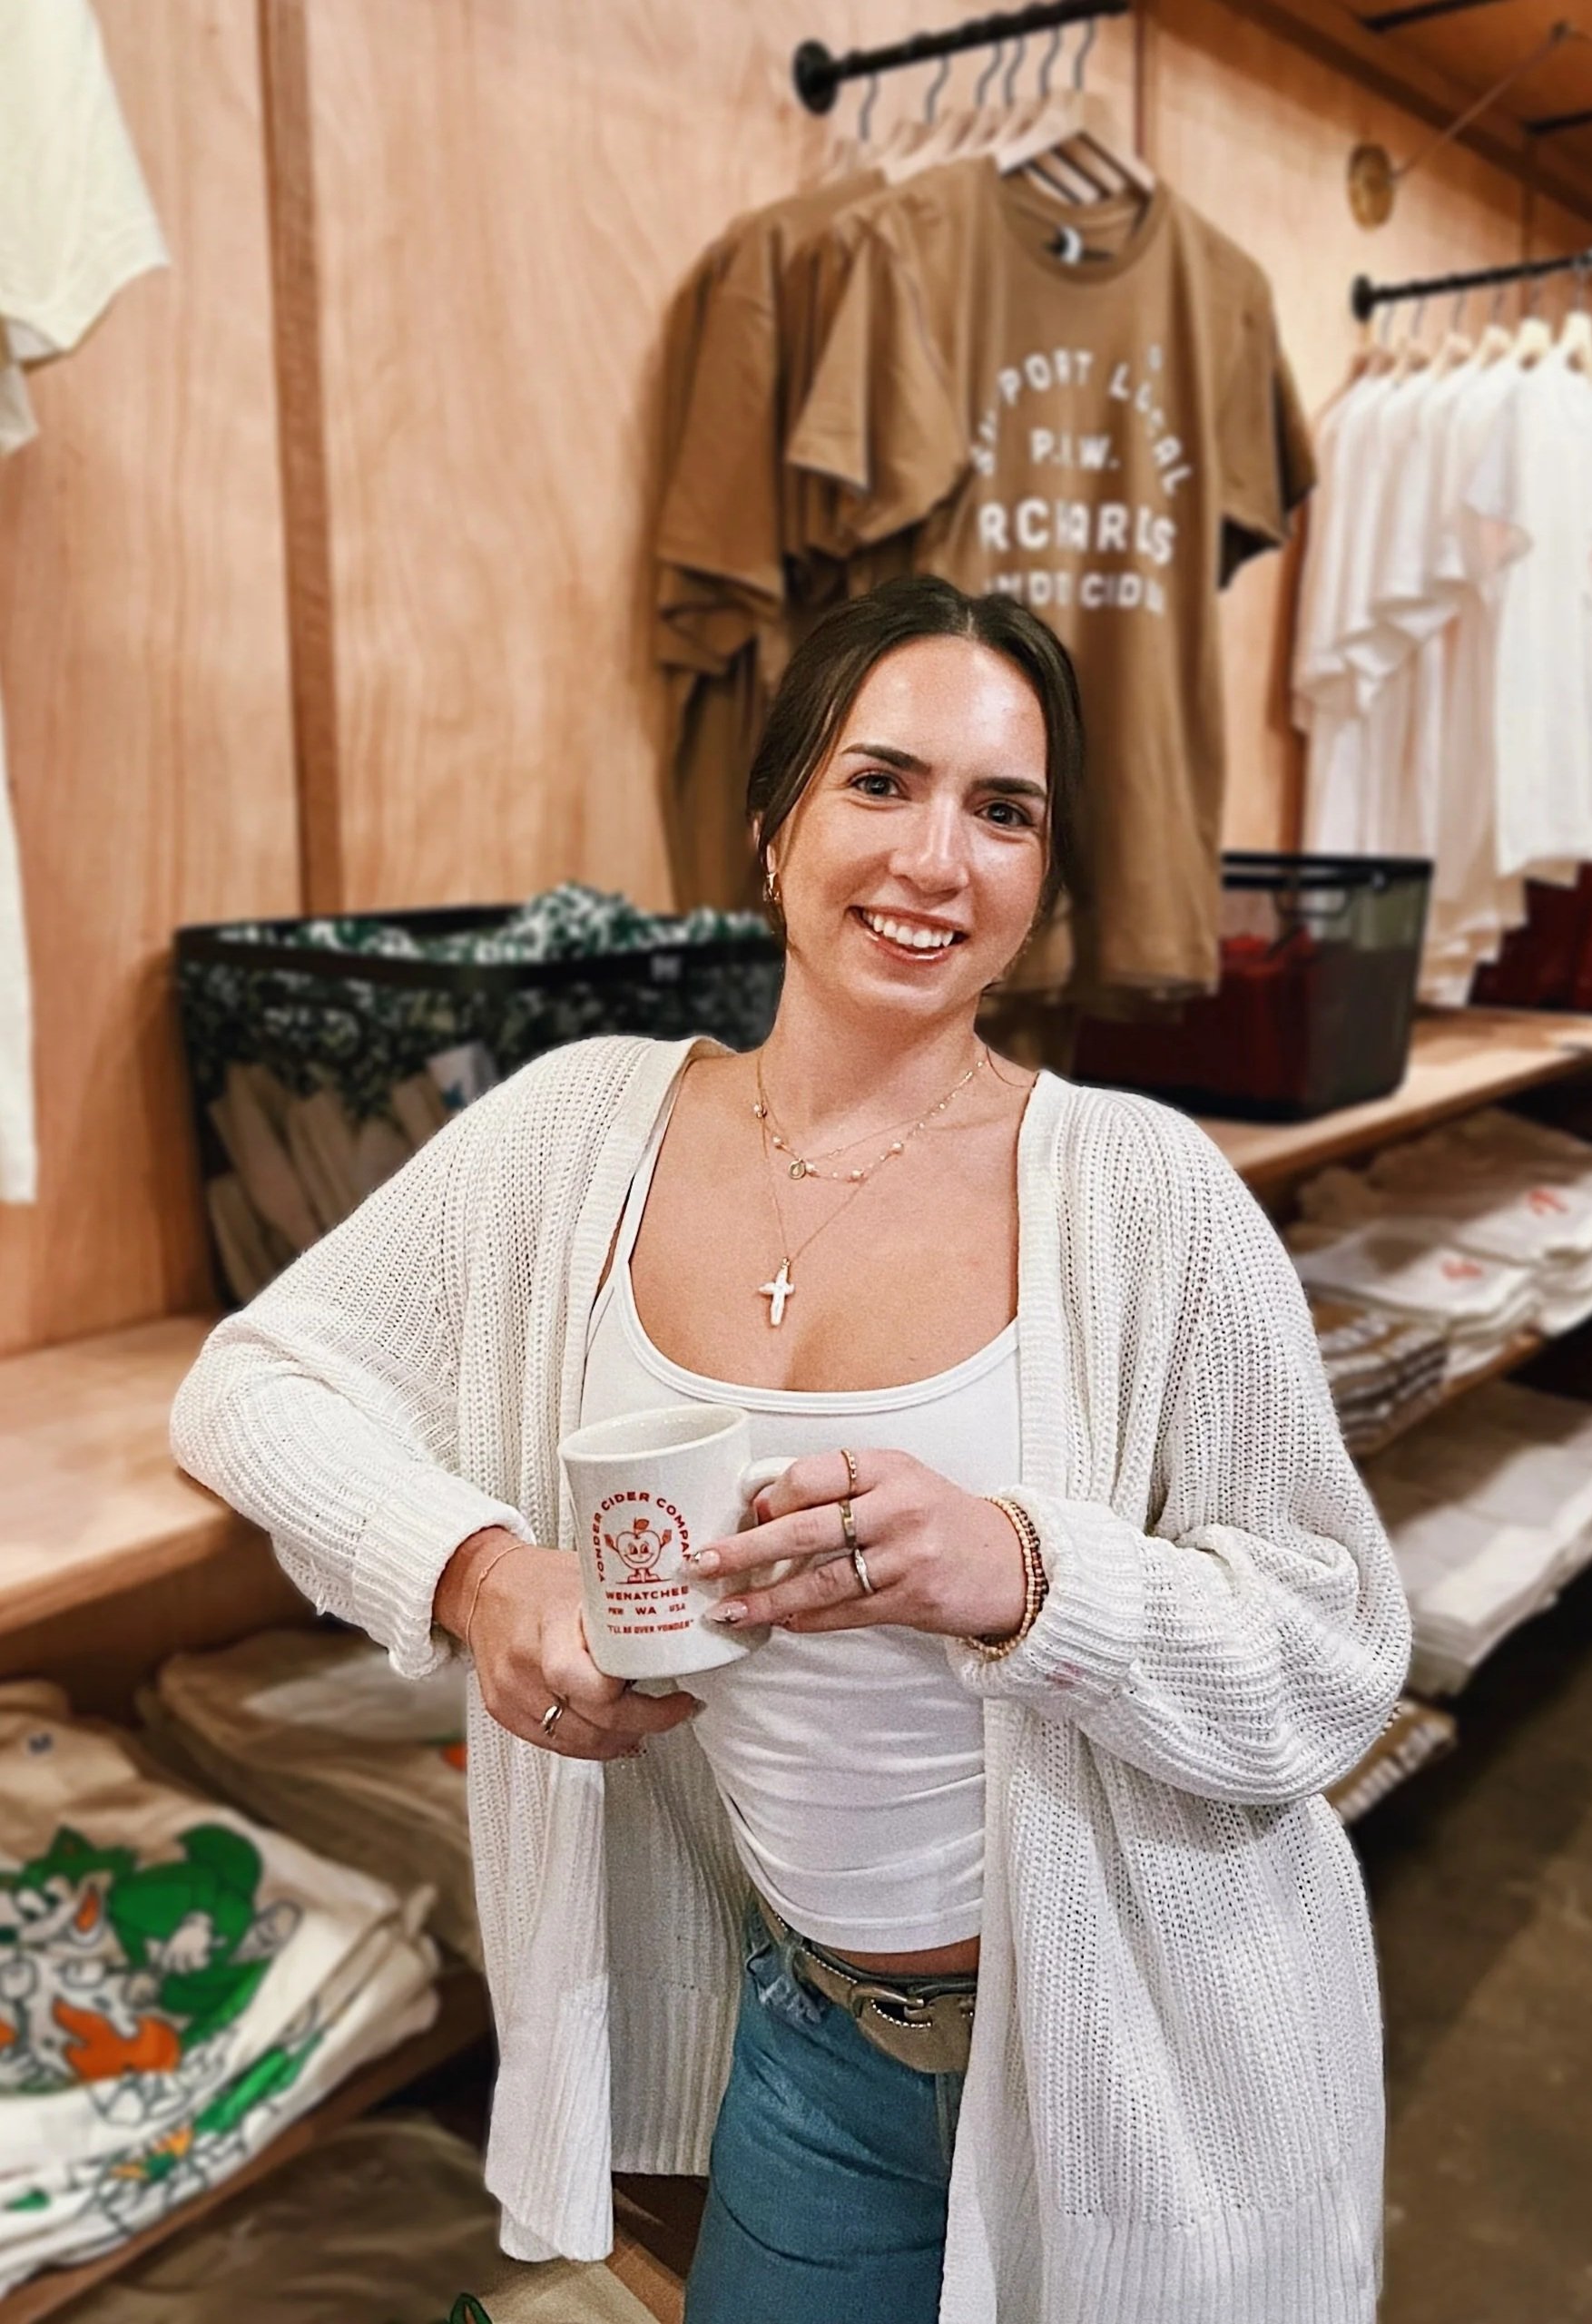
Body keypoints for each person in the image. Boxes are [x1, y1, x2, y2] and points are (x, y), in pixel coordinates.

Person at [172, 575, 1410, 2324]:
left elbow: (1338, 1642)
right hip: (818, 2051)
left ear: (1042, 880)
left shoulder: (1142, 1193)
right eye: (880, 781)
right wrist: (478, 1570)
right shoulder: (577, 1131)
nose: (935, 858)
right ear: (772, 827)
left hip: (1149, 2045)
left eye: (1004, 811)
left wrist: (1032, 1575)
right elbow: (257, 1378)